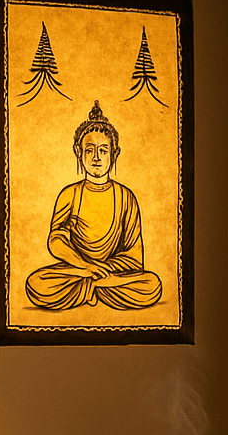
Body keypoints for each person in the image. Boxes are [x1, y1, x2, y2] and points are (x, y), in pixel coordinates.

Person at [25, 102, 163, 311]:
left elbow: (135, 256)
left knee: (151, 285)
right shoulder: (70, 194)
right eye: (89, 150)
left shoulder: (126, 197)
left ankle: (90, 288)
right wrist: (86, 266)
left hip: (109, 275)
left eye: (103, 150)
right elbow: (55, 241)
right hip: (78, 269)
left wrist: (103, 269)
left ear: (114, 154)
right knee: (36, 283)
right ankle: (96, 287)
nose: (96, 157)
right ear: (78, 153)